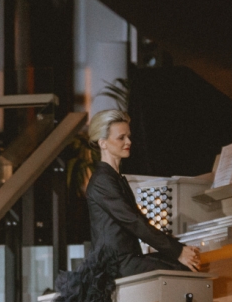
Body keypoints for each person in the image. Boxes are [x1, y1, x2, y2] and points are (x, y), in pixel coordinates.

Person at [85, 109, 201, 277]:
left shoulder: (113, 177)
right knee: (180, 271)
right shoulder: (102, 180)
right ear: (103, 143)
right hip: (114, 264)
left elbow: (138, 221)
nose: (128, 141)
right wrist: (178, 251)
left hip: (126, 259)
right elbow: (134, 222)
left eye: (128, 136)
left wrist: (179, 248)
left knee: (181, 265)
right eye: (121, 138)